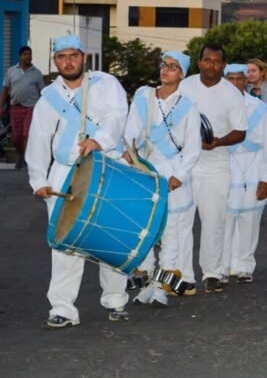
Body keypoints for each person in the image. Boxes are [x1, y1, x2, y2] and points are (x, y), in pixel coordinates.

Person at [26, 35, 130, 328]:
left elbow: (118, 116)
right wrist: (38, 180)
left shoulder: (106, 84)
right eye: (62, 57)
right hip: (64, 173)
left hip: (106, 165)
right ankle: (62, 307)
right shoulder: (48, 98)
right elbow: (38, 140)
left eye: (73, 55)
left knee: (110, 235)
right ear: (55, 60)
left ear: (83, 57)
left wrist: (100, 139)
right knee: (64, 243)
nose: (68, 62)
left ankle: (115, 299)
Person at [124, 51, 202, 304]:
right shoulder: (144, 97)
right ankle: (145, 283)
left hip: (172, 170)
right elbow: (131, 131)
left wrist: (179, 175)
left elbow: (193, 146)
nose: (165, 70)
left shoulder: (188, 106)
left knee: (171, 232)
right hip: (144, 168)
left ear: (182, 74)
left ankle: (162, 286)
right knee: (145, 230)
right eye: (163, 65)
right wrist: (132, 158)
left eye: (172, 66)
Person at [179, 44, 247, 294]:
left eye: (217, 61)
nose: (212, 65)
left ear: (224, 65)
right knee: (181, 221)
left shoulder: (232, 93)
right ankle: (183, 274)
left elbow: (240, 131)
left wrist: (217, 141)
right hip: (184, 166)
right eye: (207, 60)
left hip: (216, 165)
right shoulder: (184, 87)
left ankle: (212, 273)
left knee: (214, 221)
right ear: (199, 62)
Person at [221, 64, 267, 283]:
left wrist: (266, 178)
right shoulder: (216, 106)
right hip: (224, 166)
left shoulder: (258, 108)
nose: (235, 83)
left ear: (247, 81)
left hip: (252, 166)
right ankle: (221, 266)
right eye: (231, 79)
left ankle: (244, 265)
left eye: (239, 79)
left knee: (249, 219)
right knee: (223, 220)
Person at [0, 46, 44, 168]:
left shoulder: (36, 73)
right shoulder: (11, 71)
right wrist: (1, 106)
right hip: (15, 107)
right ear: (20, 56)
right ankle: (21, 155)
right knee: (16, 136)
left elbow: (43, 92)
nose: (28, 56)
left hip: (31, 107)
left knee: (27, 134)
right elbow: (5, 89)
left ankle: (26, 159)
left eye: (30, 54)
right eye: (25, 54)